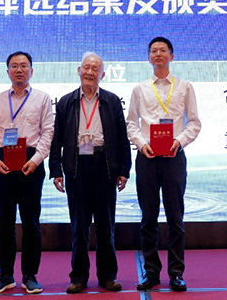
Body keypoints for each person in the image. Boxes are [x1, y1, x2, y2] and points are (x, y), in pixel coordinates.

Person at [49, 52, 132, 294]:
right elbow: (56, 140)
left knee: (106, 226)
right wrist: (56, 169)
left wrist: (124, 170)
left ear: (102, 75)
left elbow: (122, 138)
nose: (90, 72)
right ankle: (78, 277)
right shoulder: (66, 102)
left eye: (95, 69)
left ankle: (108, 276)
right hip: (76, 167)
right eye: (86, 67)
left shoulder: (112, 101)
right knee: (79, 226)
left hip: (104, 166)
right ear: (79, 70)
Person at [126, 37, 201, 292]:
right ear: (149, 57)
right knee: (148, 218)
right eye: (153, 51)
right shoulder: (140, 89)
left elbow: (194, 122)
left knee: (175, 217)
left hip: (173, 156)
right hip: (147, 157)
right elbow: (131, 123)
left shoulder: (184, 87)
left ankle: (176, 273)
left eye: (163, 50)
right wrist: (141, 144)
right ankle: (151, 272)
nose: (158, 54)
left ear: (172, 56)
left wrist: (179, 141)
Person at [0, 51, 54, 295]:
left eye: (24, 66)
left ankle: (30, 276)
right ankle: (5, 275)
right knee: (4, 222)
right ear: (8, 71)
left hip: (30, 164)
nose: (19, 70)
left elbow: (48, 133)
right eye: (14, 66)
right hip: (2, 164)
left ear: (31, 70)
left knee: (31, 222)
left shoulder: (42, 99)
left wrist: (35, 160)